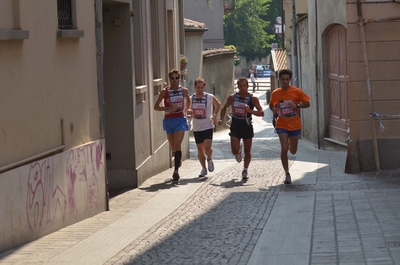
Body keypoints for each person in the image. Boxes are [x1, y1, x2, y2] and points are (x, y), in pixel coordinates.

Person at [218, 77, 264, 181]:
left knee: (248, 150)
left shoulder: (253, 99)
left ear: (248, 86)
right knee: (234, 150)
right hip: (235, 125)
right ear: (238, 87)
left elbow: (261, 112)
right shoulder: (232, 97)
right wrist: (221, 119)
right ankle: (238, 151)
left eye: (245, 86)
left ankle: (245, 170)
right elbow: (224, 108)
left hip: (247, 126)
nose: (243, 88)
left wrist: (250, 111)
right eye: (241, 86)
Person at [269, 69, 310, 184]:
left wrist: (296, 105)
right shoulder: (276, 93)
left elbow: (307, 103)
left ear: (290, 79)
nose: (285, 81)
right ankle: (287, 173)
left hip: (295, 124)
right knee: (284, 147)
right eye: (283, 79)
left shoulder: (296, 91)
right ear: (280, 79)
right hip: (282, 123)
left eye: (287, 79)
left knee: (293, 150)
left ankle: (291, 147)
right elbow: (271, 105)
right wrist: (274, 109)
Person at [154, 69, 191, 182]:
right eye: (172, 78)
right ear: (169, 80)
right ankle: (176, 156)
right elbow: (156, 106)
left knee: (177, 143)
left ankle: (176, 172)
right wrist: (167, 109)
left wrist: (187, 109)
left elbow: (188, 101)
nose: (175, 80)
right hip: (169, 120)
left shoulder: (184, 90)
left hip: (180, 119)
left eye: (177, 78)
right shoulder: (165, 92)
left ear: (179, 79)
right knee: (173, 147)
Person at [186, 77, 221, 179]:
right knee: (200, 151)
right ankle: (203, 168)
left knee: (207, 147)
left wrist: (214, 115)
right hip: (197, 127)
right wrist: (189, 113)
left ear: (204, 87)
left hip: (207, 126)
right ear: (195, 87)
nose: (199, 89)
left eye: (201, 87)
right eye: (198, 87)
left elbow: (218, 104)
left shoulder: (210, 97)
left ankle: (209, 158)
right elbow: (188, 110)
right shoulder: (191, 98)